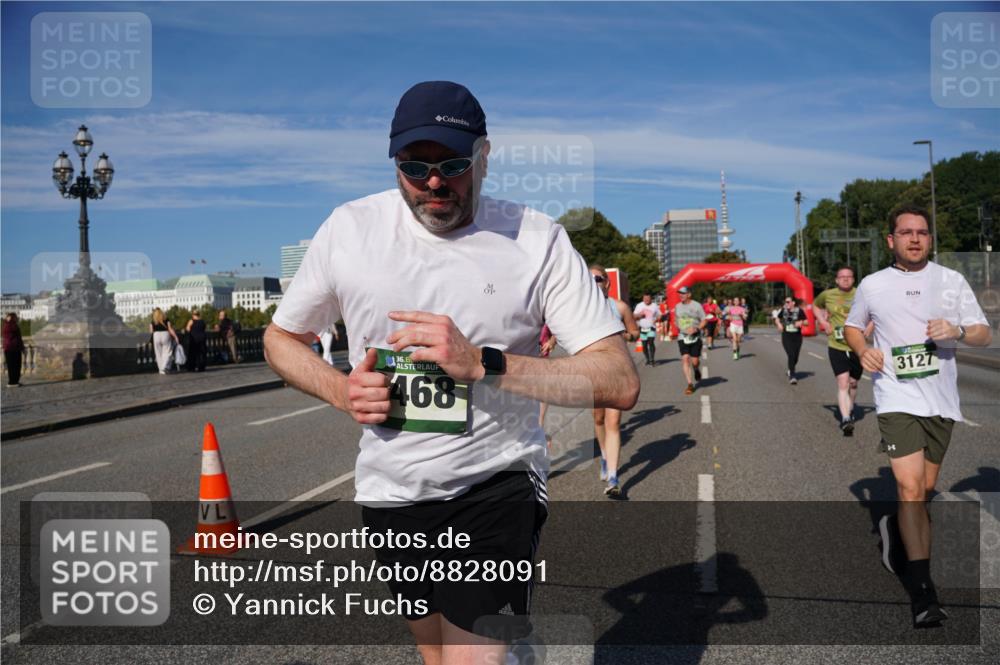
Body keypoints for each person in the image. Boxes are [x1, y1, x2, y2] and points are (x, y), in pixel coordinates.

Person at [263, 81, 640, 663]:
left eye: (453, 164)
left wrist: (485, 363)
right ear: (394, 161)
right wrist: (341, 391)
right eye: (414, 166)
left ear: (484, 156)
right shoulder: (349, 230)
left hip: (495, 484)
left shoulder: (535, 239)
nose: (434, 182)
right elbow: (281, 338)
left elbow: (619, 379)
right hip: (392, 491)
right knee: (435, 653)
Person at [845, 205, 991, 628]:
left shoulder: (951, 281)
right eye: (905, 232)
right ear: (890, 240)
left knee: (924, 489)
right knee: (910, 489)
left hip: (941, 401)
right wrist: (862, 350)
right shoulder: (873, 285)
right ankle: (923, 592)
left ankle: (892, 525)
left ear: (929, 238)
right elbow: (855, 327)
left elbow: (983, 334)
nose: (914, 239)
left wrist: (958, 332)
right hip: (896, 396)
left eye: (922, 232)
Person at [591, 265, 640, 496]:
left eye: (598, 279)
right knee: (598, 419)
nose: (594, 283)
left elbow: (635, 333)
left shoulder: (619, 307)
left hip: (617, 371)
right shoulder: (582, 309)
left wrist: (623, 334)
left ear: (607, 283)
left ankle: (613, 477)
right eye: (589, 280)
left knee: (613, 422)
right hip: (592, 372)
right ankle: (603, 455)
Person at [815, 267, 871, 435]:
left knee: (853, 383)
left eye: (849, 277)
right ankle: (845, 418)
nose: (846, 279)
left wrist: (869, 327)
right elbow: (815, 306)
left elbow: (876, 311)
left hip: (857, 346)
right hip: (836, 345)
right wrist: (823, 323)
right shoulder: (827, 295)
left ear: (854, 279)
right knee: (843, 382)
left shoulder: (862, 294)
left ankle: (850, 407)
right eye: (842, 277)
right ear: (836, 280)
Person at [674, 286, 706, 395]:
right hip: (682, 336)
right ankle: (690, 384)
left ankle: (696, 369)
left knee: (695, 361)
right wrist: (681, 328)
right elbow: (675, 320)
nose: (681, 295)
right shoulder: (677, 306)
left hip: (695, 337)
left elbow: (704, 320)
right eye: (680, 293)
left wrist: (696, 329)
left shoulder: (697, 305)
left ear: (689, 294)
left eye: (683, 293)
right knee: (685, 358)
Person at [774, 297, 807, 384]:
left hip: (797, 336)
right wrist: (779, 324)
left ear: (793, 303)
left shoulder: (799, 311)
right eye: (785, 302)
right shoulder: (783, 310)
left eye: (788, 302)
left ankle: (790, 368)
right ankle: (792, 376)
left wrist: (801, 323)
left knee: (795, 357)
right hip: (786, 335)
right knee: (791, 354)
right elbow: (777, 318)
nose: (786, 303)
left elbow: (807, 321)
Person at [633, 293, 659, 366]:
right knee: (644, 345)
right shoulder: (639, 306)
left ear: (651, 299)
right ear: (643, 299)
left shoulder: (654, 306)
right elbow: (634, 316)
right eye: (645, 299)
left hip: (651, 327)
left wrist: (657, 319)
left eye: (648, 298)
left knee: (650, 342)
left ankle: (652, 359)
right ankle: (647, 359)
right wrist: (639, 315)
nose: (646, 300)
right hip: (642, 328)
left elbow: (659, 315)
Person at [150, 307, 179, 374]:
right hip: (165, 334)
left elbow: (151, 331)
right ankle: (165, 366)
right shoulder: (166, 319)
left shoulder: (153, 321)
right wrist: (175, 337)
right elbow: (170, 329)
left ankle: (161, 370)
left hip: (156, 335)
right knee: (167, 351)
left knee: (158, 353)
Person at [3, 312, 25, 387]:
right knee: (12, 366)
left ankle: (15, 381)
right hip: (10, 348)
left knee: (17, 366)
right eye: (15, 317)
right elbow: (9, 333)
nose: (16, 318)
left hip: (15, 348)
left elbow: (19, 338)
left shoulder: (13, 325)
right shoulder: (8, 325)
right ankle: (12, 382)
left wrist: (22, 347)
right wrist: (10, 321)